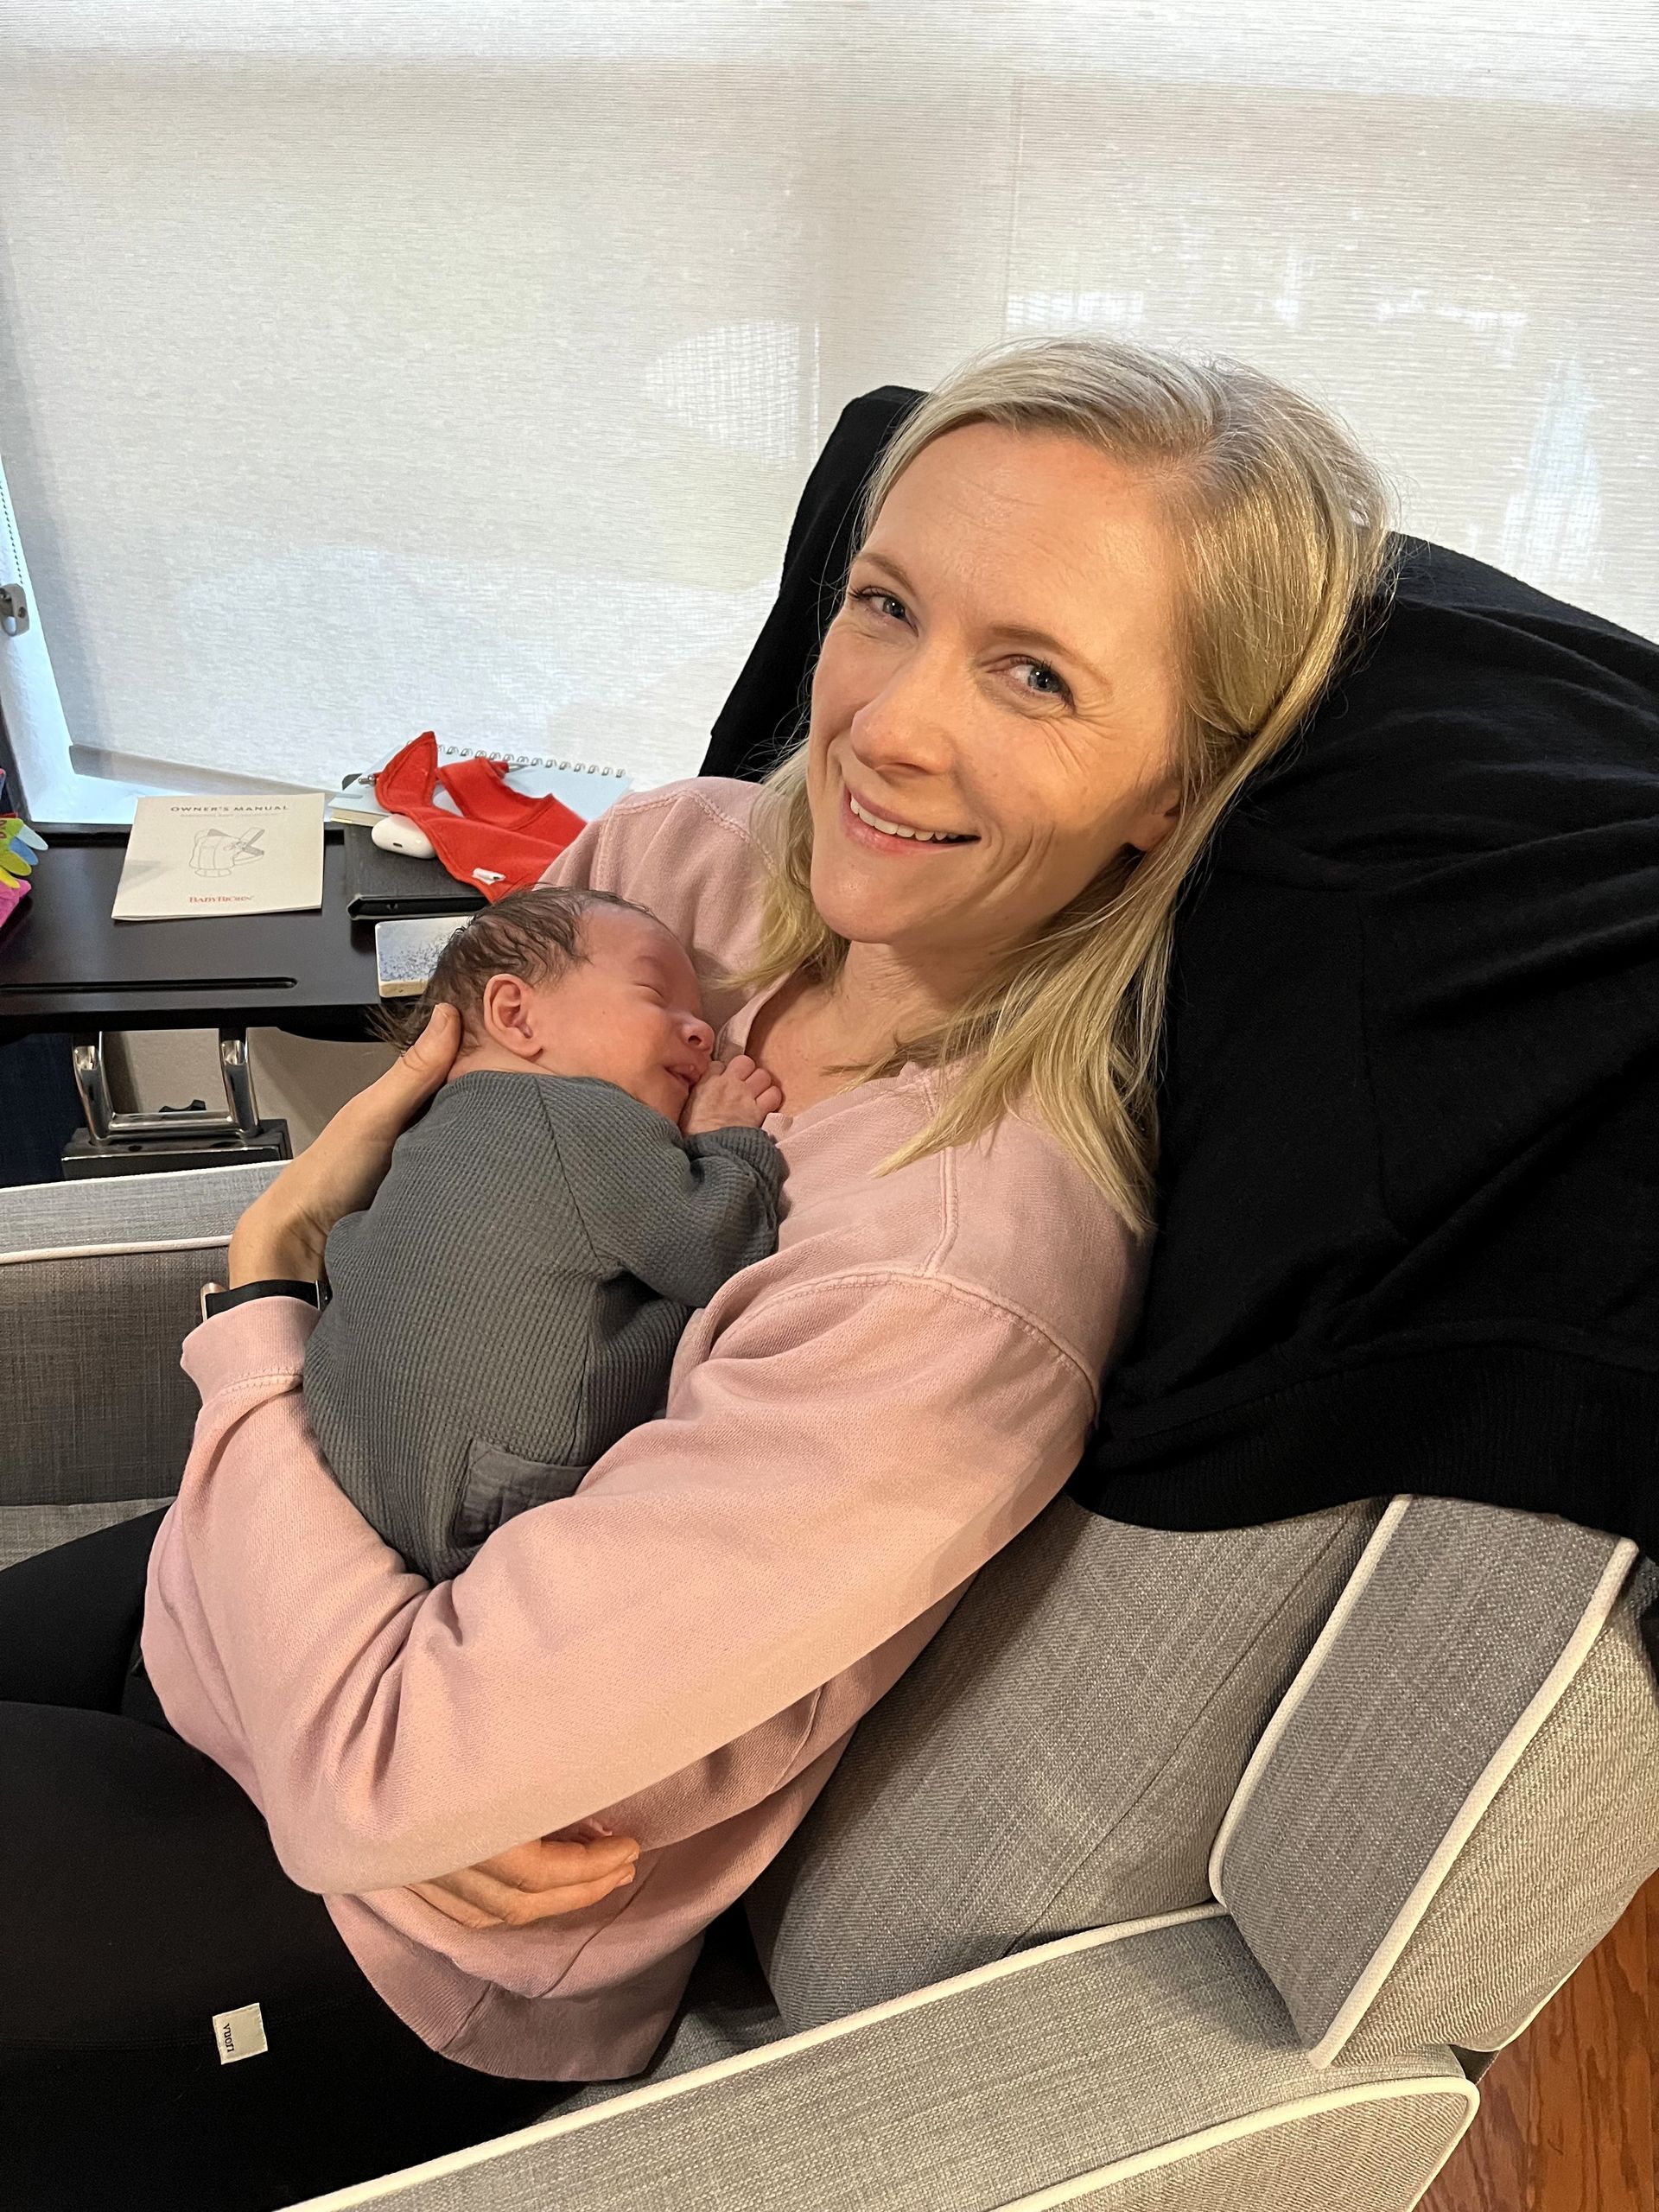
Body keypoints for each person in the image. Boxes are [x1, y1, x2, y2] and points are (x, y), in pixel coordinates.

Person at [0, 331, 1394, 2210]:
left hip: (388, 1943)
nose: (887, 728)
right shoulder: (675, 862)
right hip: (229, 1618)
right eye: (886, 604)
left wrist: (258, 1305)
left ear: (1174, 784)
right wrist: (354, 1690)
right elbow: (409, 1287)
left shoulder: (947, 1280)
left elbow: (383, 1772)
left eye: (1036, 675)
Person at [299, 885, 786, 1586]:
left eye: (702, 1019)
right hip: (488, 1499)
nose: (702, 1035)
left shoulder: (430, 1131)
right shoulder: (581, 1119)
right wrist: (726, 1138)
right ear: (516, 1015)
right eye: (656, 997)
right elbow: (720, 1248)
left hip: (347, 1459)